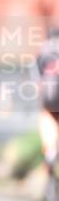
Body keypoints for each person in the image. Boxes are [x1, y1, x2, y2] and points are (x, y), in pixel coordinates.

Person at [34, 25, 59, 181]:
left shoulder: (43, 50)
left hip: (50, 94)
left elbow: (37, 79)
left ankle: (50, 151)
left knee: (46, 115)